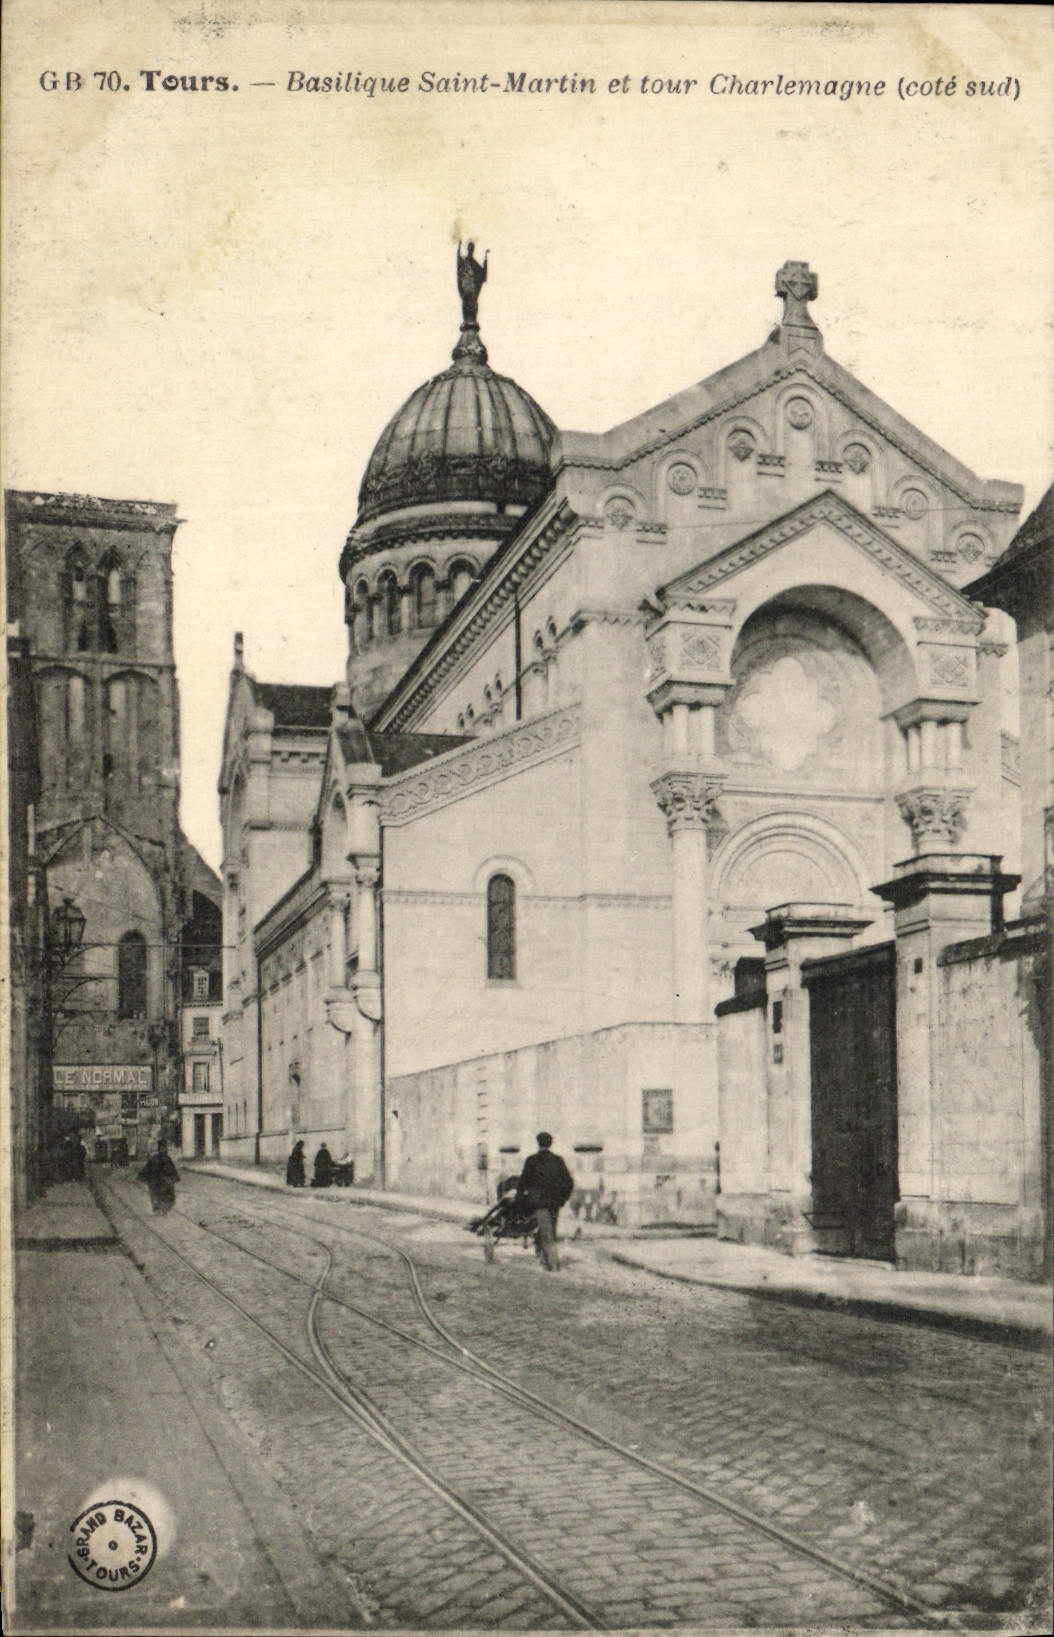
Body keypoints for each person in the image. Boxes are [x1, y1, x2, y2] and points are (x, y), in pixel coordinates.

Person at [516, 1132, 574, 1271]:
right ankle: (545, 1257)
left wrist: (519, 1194)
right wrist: (562, 1200)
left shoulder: (532, 1160)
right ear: (550, 1143)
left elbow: (523, 1181)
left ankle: (552, 1263)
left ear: (538, 1143)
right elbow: (569, 1182)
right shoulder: (558, 1160)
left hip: (537, 1203)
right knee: (550, 1230)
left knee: (546, 1232)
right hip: (554, 1203)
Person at [138, 1140, 179, 1215]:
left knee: (166, 1196)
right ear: (159, 1149)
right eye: (161, 1148)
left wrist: (173, 1178)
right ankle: (158, 1209)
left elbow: (172, 1170)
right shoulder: (155, 1158)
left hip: (164, 1182)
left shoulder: (167, 1159)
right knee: (157, 1195)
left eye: (163, 1148)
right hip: (157, 1182)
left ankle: (163, 1209)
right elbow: (148, 1168)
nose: (162, 1149)